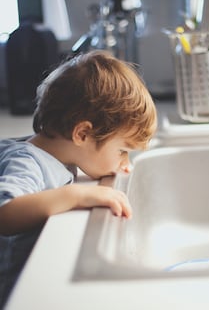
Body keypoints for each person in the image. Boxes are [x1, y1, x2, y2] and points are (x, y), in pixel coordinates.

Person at [0, 50, 157, 307]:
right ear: (82, 134)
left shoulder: (62, 157)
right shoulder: (27, 162)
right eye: (123, 152)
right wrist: (76, 195)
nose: (125, 165)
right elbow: (4, 215)